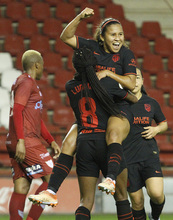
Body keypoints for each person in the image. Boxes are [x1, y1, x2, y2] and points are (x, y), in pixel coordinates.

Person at [33, 48, 134, 220]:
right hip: (107, 142)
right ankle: (110, 179)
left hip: (84, 143)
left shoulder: (70, 87)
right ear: (96, 64)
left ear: (74, 66)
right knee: (122, 197)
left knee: (85, 201)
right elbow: (132, 98)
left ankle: (52, 191)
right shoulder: (107, 83)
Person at [60, 8, 136, 193]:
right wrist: (79, 17)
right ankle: (52, 191)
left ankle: (110, 178)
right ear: (102, 37)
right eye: (113, 35)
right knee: (68, 142)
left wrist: (109, 73)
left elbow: (131, 83)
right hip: (95, 108)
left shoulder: (126, 54)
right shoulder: (91, 47)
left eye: (121, 34)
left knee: (112, 135)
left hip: (116, 107)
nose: (118, 38)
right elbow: (65, 37)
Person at [5, 49, 61, 220]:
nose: (43, 68)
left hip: (17, 140)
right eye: (42, 64)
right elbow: (18, 110)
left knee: (21, 187)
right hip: (26, 140)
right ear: (37, 65)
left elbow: (35, 118)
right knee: (53, 180)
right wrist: (21, 140)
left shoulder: (23, 82)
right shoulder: (27, 83)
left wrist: (50, 140)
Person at [123, 68, 167, 220]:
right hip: (127, 158)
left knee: (156, 194)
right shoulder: (119, 104)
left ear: (142, 81)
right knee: (137, 202)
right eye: (130, 78)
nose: (134, 81)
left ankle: (155, 217)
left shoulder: (151, 103)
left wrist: (156, 129)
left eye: (138, 78)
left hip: (149, 156)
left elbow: (164, 124)